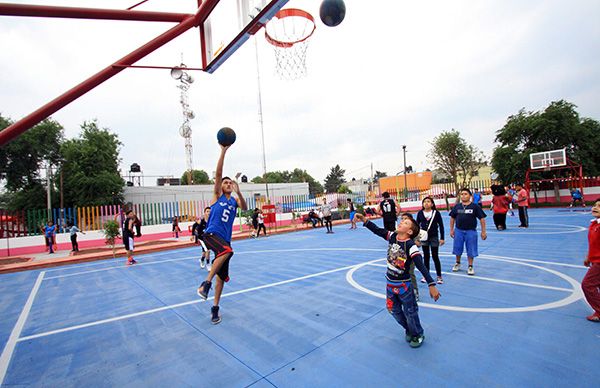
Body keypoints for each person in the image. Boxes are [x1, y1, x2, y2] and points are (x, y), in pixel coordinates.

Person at [353, 212, 440, 348]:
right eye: (402, 220)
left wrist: (431, 284)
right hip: (390, 284)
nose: (401, 222)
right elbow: (378, 230)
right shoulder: (392, 237)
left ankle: (417, 333)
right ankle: (409, 329)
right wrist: (364, 220)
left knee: (410, 312)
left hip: (404, 286)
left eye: (405, 222)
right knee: (393, 309)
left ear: (410, 231)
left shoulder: (411, 246)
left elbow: (420, 265)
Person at [197, 144, 248, 325]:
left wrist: (239, 192)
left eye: (229, 183)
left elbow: (245, 208)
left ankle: (215, 308)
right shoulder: (217, 196)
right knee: (227, 251)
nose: (227, 184)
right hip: (212, 235)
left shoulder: (234, 201)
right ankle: (205, 283)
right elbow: (218, 174)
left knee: (222, 278)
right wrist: (223, 151)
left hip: (224, 241)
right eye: (225, 183)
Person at [449, 188, 487, 276]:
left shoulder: (475, 206)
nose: (463, 196)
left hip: (471, 231)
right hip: (459, 231)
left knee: (471, 249)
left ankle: (470, 266)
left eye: (465, 194)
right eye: (462, 194)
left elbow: (482, 219)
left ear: (470, 196)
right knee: (457, 248)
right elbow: (452, 218)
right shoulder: (457, 206)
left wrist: (483, 231)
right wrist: (452, 229)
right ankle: (457, 263)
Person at [416, 197, 445, 284]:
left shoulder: (436, 213)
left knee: (435, 256)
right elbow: (417, 226)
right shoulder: (420, 213)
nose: (426, 203)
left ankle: (439, 276)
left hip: (434, 237)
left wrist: (442, 238)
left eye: (428, 202)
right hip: (424, 237)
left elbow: (441, 226)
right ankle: (426, 275)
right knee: (426, 257)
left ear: (432, 204)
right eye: (424, 202)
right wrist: (417, 239)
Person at [582, 200, 600, 322]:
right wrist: (589, 256)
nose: (595, 207)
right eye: (595, 205)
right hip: (595, 260)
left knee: (587, 284)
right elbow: (594, 243)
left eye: (599, 206)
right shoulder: (594, 224)